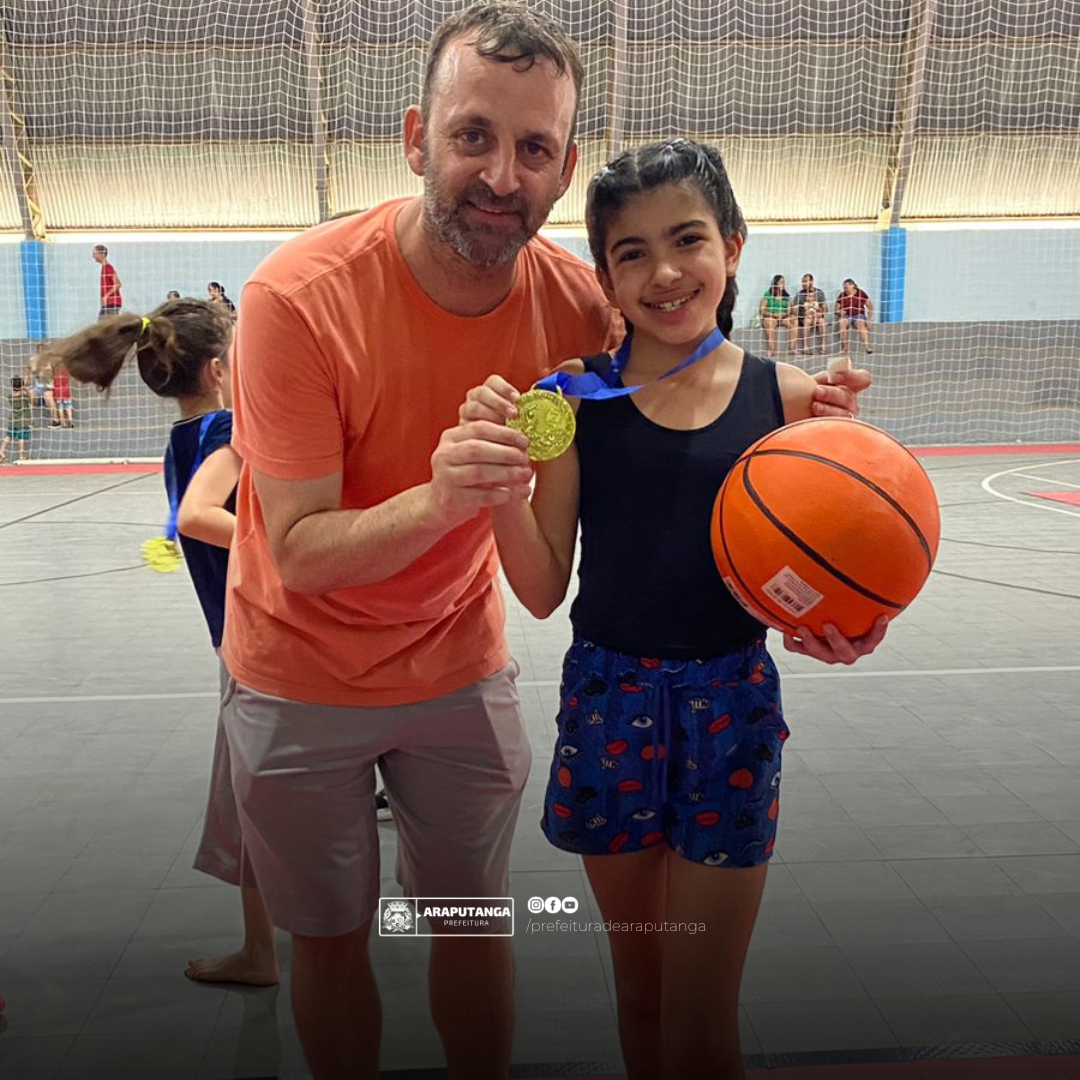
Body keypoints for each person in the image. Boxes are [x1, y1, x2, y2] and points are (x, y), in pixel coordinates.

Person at [219, 6, 871, 1079]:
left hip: (464, 668)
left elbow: (690, 370)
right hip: (299, 673)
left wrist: (809, 428)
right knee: (330, 943)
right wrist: (449, 500)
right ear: (415, 136)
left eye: (532, 149)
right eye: (473, 136)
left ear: (564, 168)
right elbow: (294, 549)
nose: (500, 174)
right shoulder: (297, 298)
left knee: (473, 928)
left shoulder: (581, 310)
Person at [466, 139, 887, 1080]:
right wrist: (499, 483)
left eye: (687, 240)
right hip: (608, 704)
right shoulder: (567, 400)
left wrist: (851, 623)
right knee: (643, 991)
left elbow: (834, 587)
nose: (664, 272)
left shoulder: (789, 399)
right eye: (631, 252)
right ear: (605, 275)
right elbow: (539, 591)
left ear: (732, 247)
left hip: (728, 709)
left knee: (701, 1019)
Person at [42, 299, 281, 989]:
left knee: (252, 799)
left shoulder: (181, 440)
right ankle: (273, 945)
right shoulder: (232, 431)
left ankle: (266, 943)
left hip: (234, 642)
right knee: (258, 805)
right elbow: (206, 519)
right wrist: (284, 554)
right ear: (217, 369)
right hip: (264, 642)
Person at [757, 274, 796, 357]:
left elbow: (790, 310)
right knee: (771, 322)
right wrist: (773, 315)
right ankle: (772, 349)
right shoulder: (768, 294)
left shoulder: (786, 296)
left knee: (794, 320)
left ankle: (792, 349)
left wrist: (784, 314)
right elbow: (762, 310)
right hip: (770, 317)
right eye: (781, 282)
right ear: (775, 283)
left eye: (784, 282)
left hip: (783, 317)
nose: (783, 284)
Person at [836, 277, 874, 354]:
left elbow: (870, 307)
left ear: (853, 286)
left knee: (860, 324)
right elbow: (836, 309)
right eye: (844, 288)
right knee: (841, 322)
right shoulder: (842, 295)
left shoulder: (861, 293)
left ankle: (867, 347)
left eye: (847, 287)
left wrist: (869, 320)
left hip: (858, 315)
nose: (845, 289)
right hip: (847, 315)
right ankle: (844, 348)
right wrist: (840, 312)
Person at [0, 376, 32, 462]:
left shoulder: (10, 397)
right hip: (23, 420)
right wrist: (27, 390)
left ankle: (1, 451)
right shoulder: (24, 397)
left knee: (8, 436)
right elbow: (32, 400)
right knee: (21, 438)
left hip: (13, 419)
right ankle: (21, 456)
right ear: (22, 385)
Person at [794, 272, 827, 355]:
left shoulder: (819, 293)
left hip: (817, 316)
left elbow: (825, 309)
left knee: (822, 321)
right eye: (802, 282)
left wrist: (820, 312)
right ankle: (805, 347)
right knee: (807, 321)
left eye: (805, 281)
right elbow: (794, 310)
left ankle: (823, 346)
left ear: (811, 282)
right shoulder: (799, 294)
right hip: (804, 317)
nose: (803, 284)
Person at [92, 244, 122, 318]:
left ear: (101, 254)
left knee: (104, 326)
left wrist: (106, 296)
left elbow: (118, 284)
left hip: (112, 303)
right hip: (108, 304)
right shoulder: (104, 268)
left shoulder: (108, 268)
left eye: (95, 253)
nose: (93, 256)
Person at [51, 362, 73, 428]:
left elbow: (52, 380)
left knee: (60, 406)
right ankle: (70, 420)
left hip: (58, 389)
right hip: (66, 390)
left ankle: (62, 420)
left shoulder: (54, 369)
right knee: (68, 406)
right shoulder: (67, 368)